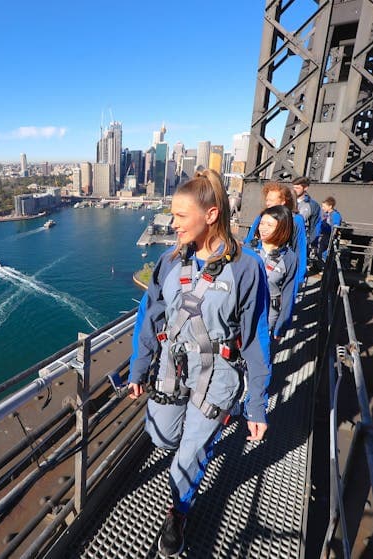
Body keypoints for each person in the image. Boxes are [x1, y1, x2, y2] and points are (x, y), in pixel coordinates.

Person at [128, 173, 271, 557]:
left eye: (179, 215)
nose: (171, 223)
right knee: (162, 436)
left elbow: (256, 336)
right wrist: (139, 368)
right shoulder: (169, 260)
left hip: (219, 373)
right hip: (173, 366)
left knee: (190, 452)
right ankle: (195, 451)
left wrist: (256, 401)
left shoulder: (246, 267)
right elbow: (150, 316)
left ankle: (178, 512)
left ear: (211, 214)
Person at [246, 205, 299, 342]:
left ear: (282, 228)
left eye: (269, 225)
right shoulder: (247, 250)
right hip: (242, 316)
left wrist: (282, 325)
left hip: (267, 319)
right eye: (261, 223)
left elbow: (288, 294)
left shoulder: (289, 258)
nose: (262, 228)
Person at [244, 182, 307, 290]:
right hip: (257, 264)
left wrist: (299, 278)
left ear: (283, 202)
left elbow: (300, 249)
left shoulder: (296, 220)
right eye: (267, 200)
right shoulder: (261, 217)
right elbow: (249, 241)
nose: (268, 203)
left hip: (279, 269)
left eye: (271, 201)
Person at [292, 176, 321, 245]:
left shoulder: (312, 205)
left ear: (305, 188)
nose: (294, 190)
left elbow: (315, 225)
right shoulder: (286, 202)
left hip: (301, 242)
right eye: (294, 188)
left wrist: (310, 242)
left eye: (297, 188)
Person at [314, 196, 343, 261]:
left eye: (324, 206)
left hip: (330, 238)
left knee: (327, 255)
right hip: (325, 237)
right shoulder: (326, 215)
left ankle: (325, 269)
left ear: (330, 206)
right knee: (321, 253)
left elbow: (335, 227)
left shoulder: (335, 215)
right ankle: (322, 268)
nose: (322, 208)